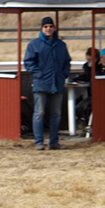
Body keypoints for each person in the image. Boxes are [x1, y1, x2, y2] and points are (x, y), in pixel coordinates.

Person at [24, 16, 72, 150]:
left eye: (51, 26)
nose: (48, 29)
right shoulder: (34, 45)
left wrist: (64, 74)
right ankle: (39, 143)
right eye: (46, 26)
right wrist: (39, 74)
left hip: (57, 84)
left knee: (56, 115)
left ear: (54, 28)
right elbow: (28, 62)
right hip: (41, 84)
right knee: (39, 114)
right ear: (42, 28)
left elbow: (67, 61)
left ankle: (54, 143)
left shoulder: (61, 45)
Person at [73, 48, 100, 126]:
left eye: (90, 59)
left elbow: (89, 77)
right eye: (87, 59)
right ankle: (80, 122)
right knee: (75, 103)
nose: (88, 61)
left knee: (82, 106)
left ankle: (86, 125)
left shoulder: (99, 67)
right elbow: (85, 76)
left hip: (95, 94)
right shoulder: (86, 66)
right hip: (88, 92)